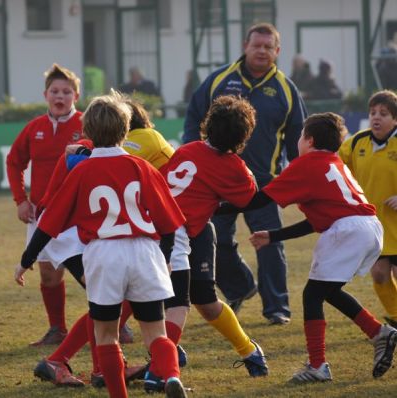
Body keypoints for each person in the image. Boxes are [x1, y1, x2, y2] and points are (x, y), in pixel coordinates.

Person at [15, 92, 188, 398]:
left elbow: (49, 223)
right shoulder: (141, 167)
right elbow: (169, 222)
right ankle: (171, 375)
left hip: (105, 253)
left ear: (88, 133)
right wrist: (165, 258)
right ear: (126, 130)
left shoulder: (81, 169)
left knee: (106, 334)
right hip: (144, 251)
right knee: (156, 333)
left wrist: (27, 259)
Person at [221, 112, 397, 382]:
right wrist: (274, 236)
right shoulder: (334, 162)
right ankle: (379, 333)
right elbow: (319, 220)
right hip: (367, 226)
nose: (298, 139)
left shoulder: (307, 163)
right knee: (327, 290)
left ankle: (318, 366)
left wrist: (214, 205)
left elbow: (257, 201)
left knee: (313, 294)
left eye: (301, 135)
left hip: (349, 229)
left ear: (309, 140)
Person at [183, 22, 307, 325]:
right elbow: (193, 117)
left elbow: (299, 139)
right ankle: (240, 287)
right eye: (257, 45)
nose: (262, 51)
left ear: (277, 51)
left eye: (268, 47)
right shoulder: (219, 81)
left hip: (264, 183)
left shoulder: (286, 91)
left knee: (270, 243)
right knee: (215, 242)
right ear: (245, 46)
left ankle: (277, 308)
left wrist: (300, 179)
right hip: (217, 182)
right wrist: (192, 155)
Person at [161, 95, 268, 378]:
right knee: (176, 302)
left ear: (207, 125)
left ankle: (248, 352)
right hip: (174, 232)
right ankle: (164, 359)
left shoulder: (187, 149)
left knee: (200, 301)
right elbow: (249, 196)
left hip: (187, 232)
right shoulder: (233, 167)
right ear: (244, 136)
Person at [6, 64, 84, 346]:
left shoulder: (86, 125)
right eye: (54, 91)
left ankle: (118, 323)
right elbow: (14, 162)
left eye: (66, 91)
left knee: (93, 273)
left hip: (78, 215)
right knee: (49, 275)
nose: (59, 96)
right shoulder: (34, 128)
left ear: (76, 94)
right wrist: (21, 200)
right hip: (42, 215)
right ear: (45, 95)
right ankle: (57, 329)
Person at [339, 90, 397, 328]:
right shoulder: (356, 142)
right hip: (375, 225)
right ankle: (395, 316)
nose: (376, 117)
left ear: (395, 120)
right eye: (373, 112)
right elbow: (336, 167)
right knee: (380, 274)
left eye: (384, 114)